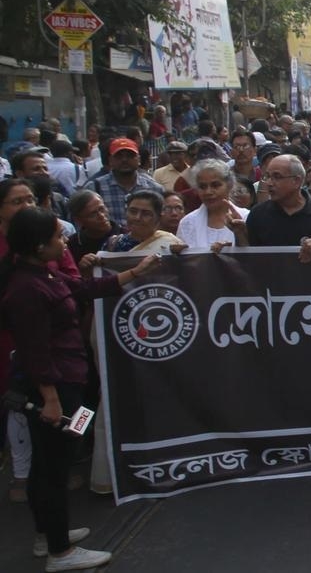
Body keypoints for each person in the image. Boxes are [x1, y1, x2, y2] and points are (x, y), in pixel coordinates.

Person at [1, 207, 160, 571]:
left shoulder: (44, 275)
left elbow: (86, 288)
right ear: (40, 246)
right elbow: (35, 352)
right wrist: (52, 400)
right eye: (58, 237)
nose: (65, 242)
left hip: (72, 385)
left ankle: (49, 533)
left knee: (51, 461)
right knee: (54, 470)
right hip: (57, 394)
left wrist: (136, 272)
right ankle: (60, 553)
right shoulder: (27, 289)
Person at [246, 155, 311, 262]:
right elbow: (250, 259)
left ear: (297, 181)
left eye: (277, 177)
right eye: (267, 176)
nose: (269, 183)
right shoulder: (257, 214)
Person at [175, 159, 249, 252]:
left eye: (215, 185)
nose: (208, 192)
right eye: (202, 187)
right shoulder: (188, 223)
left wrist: (240, 237)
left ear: (229, 185)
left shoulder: (246, 218)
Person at [90, 138, 162, 230]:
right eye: (119, 156)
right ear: (111, 160)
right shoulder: (95, 188)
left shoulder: (154, 188)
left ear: (139, 159)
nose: (124, 160)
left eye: (130, 156)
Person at [102, 190, 184, 255]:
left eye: (146, 214)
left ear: (159, 217)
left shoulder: (170, 243)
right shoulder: (113, 244)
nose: (137, 218)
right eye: (133, 211)